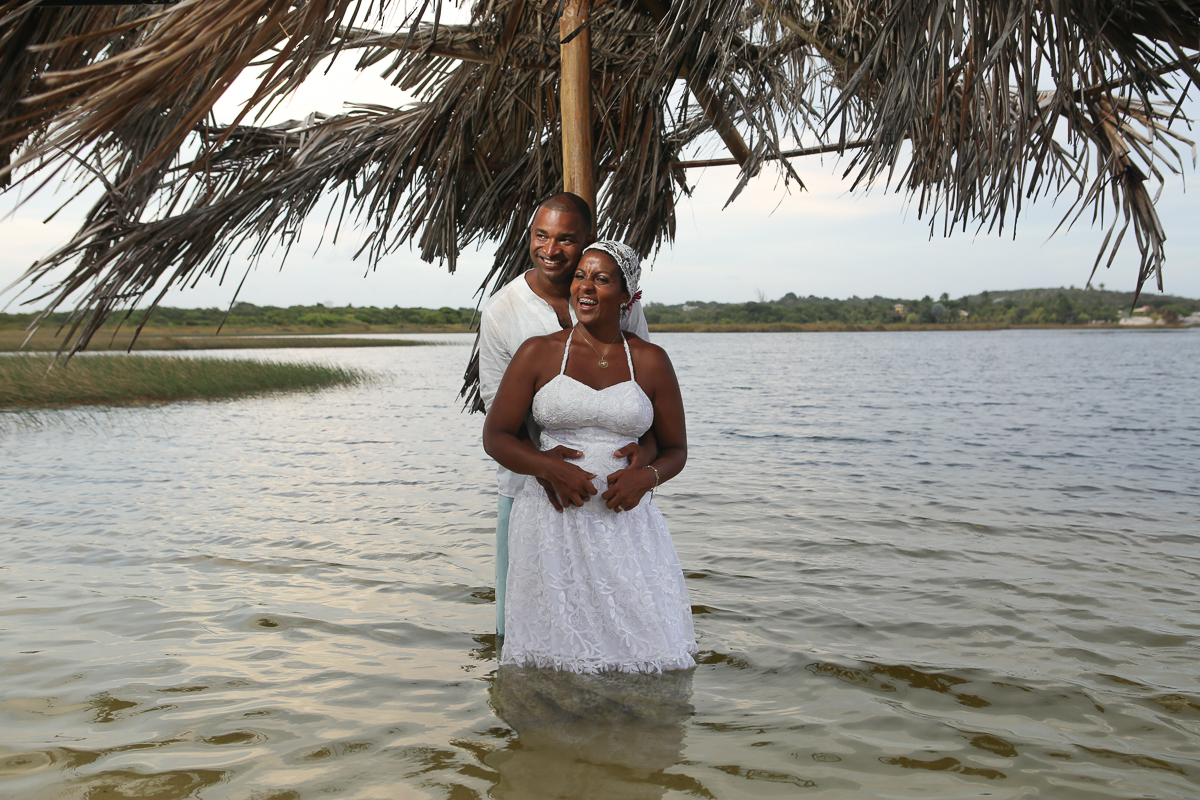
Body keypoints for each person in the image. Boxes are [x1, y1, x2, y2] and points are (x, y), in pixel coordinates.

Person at [482, 241, 697, 673]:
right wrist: (546, 467)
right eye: (580, 276)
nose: (585, 287)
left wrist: (647, 477)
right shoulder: (538, 352)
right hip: (551, 515)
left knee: (647, 644)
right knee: (553, 649)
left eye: (601, 279)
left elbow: (676, 449)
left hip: (625, 520)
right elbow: (496, 437)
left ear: (626, 296)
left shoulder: (651, 360)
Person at [478, 194, 652, 637]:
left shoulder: (619, 303)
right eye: (541, 235)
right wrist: (546, 471)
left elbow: (641, 397)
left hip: (614, 501)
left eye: (566, 239)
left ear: (588, 243)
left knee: (622, 624)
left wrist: (642, 465)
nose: (551, 250)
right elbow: (500, 418)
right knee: (522, 623)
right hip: (528, 494)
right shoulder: (504, 312)